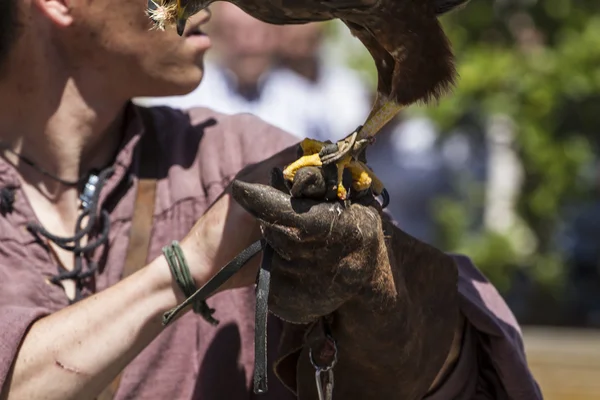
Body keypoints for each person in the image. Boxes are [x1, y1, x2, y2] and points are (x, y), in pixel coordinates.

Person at [0, 1, 542, 400]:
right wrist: (189, 267)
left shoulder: (241, 159)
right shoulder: (229, 195)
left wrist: (381, 295)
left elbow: (477, 379)